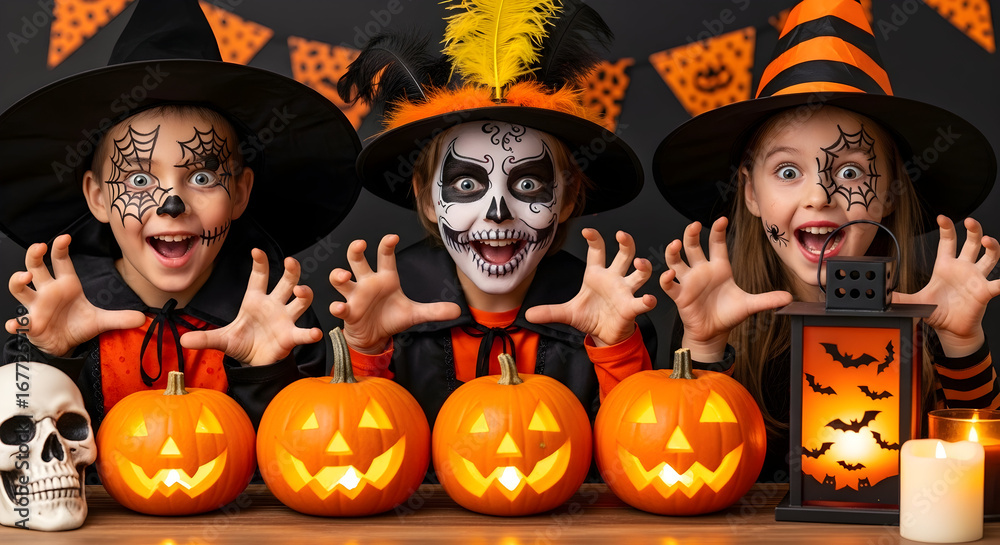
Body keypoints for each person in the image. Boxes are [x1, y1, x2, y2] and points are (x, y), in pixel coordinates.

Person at [652, 0, 999, 482]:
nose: (819, 196)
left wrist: (962, 344)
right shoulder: (715, 317)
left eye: (851, 171)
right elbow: (684, 468)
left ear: (890, 194)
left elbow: (981, 478)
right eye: (788, 171)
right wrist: (706, 346)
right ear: (751, 193)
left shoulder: (931, 312)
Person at [0, 0, 362, 431]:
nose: (171, 205)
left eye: (204, 177)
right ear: (97, 197)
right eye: (138, 180)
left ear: (241, 193)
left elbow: (304, 459)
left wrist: (266, 371)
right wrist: (49, 356)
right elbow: (22, 458)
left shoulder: (276, 316)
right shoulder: (56, 311)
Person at [333, 0, 657, 429]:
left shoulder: (607, 312)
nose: (498, 212)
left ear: (566, 198)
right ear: (427, 199)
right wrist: (366, 351)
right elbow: (351, 452)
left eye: (527, 185)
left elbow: (642, 445)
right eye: (467, 185)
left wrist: (616, 347)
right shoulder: (387, 311)